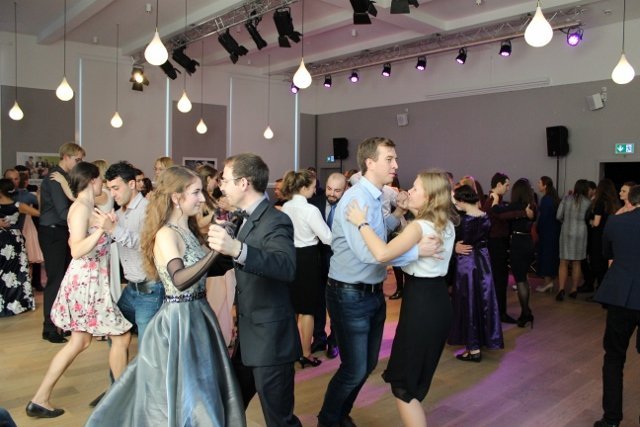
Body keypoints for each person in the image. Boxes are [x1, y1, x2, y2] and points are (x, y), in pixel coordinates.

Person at [86, 166, 245, 426]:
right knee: (187, 393)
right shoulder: (165, 234)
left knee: (201, 388)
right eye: (196, 192)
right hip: (178, 321)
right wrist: (216, 251)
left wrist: (233, 245)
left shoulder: (188, 230)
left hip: (199, 315)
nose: (202, 199)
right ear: (176, 197)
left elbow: (207, 269)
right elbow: (179, 280)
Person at [317, 137, 436, 427]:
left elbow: (379, 233)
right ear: (370, 163)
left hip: (371, 292)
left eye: (395, 159)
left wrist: (398, 214)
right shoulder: (356, 198)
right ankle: (328, 420)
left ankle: (339, 415)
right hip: (349, 293)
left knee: (367, 364)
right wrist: (415, 252)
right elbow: (370, 253)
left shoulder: (375, 196)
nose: (396, 165)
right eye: (389, 159)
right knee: (355, 368)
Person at [345, 169, 457, 427]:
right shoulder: (446, 224)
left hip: (421, 305)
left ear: (429, 197)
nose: (409, 191)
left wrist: (361, 223)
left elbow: (382, 254)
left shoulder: (419, 227)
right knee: (413, 380)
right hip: (438, 300)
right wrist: (404, 213)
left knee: (403, 386)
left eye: (415, 188)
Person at [26, 162, 132, 419]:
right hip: (87, 281)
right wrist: (102, 231)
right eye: (101, 180)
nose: (103, 185)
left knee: (80, 342)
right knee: (120, 337)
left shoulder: (87, 205)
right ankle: (122, 401)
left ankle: (40, 399)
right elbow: (76, 249)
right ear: (92, 180)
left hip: (91, 280)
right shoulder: (81, 208)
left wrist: (107, 226)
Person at [207, 153, 302, 427]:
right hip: (249, 336)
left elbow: (285, 267)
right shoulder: (243, 218)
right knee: (229, 405)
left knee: (279, 420)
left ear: (243, 183)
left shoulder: (275, 220)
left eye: (225, 180)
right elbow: (230, 262)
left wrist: (236, 248)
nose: (221, 186)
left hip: (271, 339)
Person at [592, 185, 640, 427]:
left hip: (622, 296)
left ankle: (611, 419)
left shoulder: (616, 222)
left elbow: (607, 253)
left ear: (630, 200)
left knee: (613, 357)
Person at [281, 169, 332, 368]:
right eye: (312, 186)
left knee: (293, 307)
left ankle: (294, 350)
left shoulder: (285, 206)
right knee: (307, 310)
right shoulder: (310, 210)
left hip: (290, 256)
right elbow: (327, 238)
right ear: (303, 188)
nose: (315, 190)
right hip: (308, 258)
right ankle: (306, 353)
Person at [448, 184, 503, 362]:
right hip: (483, 262)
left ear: (462, 200)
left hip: (467, 263)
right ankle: (482, 341)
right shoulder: (485, 216)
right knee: (483, 301)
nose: (456, 205)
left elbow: (459, 244)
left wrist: (454, 247)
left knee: (468, 303)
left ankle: (473, 348)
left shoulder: (463, 221)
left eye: (456, 202)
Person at [38, 142, 85, 343]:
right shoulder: (55, 178)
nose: (79, 163)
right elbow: (63, 212)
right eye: (77, 159)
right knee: (56, 280)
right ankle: (49, 328)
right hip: (53, 232)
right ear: (66, 156)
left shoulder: (63, 178)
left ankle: (60, 323)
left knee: (63, 280)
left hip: (59, 231)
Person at [309, 172, 348, 359]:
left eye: (337, 190)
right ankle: (319, 338)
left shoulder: (350, 206)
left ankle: (334, 340)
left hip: (341, 261)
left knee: (336, 303)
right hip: (317, 260)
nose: (331, 194)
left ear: (345, 189)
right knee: (318, 300)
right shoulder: (313, 203)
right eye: (329, 189)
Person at [482, 173, 528, 324]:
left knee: (500, 279)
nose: (508, 188)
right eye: (507, 185)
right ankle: (499, 313)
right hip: (495, 244)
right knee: (499, 280)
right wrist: (524, 213)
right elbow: (502, 216)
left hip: (498, 243)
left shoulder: (496, 200)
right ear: (499, 185)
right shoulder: (492, 201)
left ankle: (499, 312)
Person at [491, 178, 536, 328]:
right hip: (529, 242)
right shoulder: (532, 205)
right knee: (524, 278)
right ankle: (526, 312)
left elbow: (497, 211)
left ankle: (526, 313)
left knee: (520, 280)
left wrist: (495, 200)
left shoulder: (516, 205)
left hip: (518, 244)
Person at [0, 179, 38, 316]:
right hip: (15, 239)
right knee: (19, 272)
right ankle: (20, 303)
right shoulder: (19, 205)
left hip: (4, 241)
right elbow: (38, 213)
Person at [556, 179, 590, 301]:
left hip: (566, 231)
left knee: (563, 262)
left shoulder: (566, 199)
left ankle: (561, 289)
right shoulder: (588, 202)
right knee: (577, 262)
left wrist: (565, 222)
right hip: (581, 232)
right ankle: (574, 289)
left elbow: (558, 216)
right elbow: (589, 219)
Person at [535, 176, 561, 293]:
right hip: (554, 231)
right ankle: (549, 282)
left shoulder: (546, 200)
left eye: (539, 182)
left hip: (546, 232)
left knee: (546, 257)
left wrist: (538, 228)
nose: (538, 184)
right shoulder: (554, 199)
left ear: (545, 185)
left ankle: (547, 282)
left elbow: (543, 218)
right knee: (551, 256)